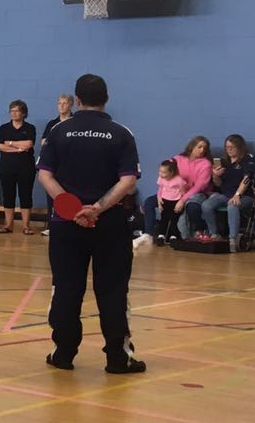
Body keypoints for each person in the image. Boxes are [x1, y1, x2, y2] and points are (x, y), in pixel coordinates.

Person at [37, 73, 143, 374]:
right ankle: (118, 358)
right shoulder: (121, 133)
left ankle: (63, 354)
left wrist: (71, 207)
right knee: (113, 290)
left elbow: (45, 175)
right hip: (110, 224)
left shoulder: (59, 131)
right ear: (106, 98)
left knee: (66, 288)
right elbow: (128, 180)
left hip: (65, 225)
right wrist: (96, 209)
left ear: (78, 99)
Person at [197, 134, 255, 249]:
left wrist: (237, 195)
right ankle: (214, 234)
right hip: (226, 194)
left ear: (239, 147)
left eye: (232, 147)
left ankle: (233, 239)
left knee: (232, 205)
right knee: (206, 205)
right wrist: (215, 175)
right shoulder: (224, 162)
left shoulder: (247, 159)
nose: (229, 150)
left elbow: (247, 179)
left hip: (245, 195)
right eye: (227, 147)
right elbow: (218, 184)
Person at [0, 100, 38, 234]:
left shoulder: (30, 128)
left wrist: (11, 143)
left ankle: (26, 226)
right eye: (11, 111)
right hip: (7, 167)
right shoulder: (3, 128)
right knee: (8, 195)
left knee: (25, 195)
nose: (13, 113)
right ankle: (8, 225)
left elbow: (29, 144)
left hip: (26, 167)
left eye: (16, 110)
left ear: (23, 113)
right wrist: (18, 149)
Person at [38, 93, 75, 238]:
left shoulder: (75, 121)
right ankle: (52, 225)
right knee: (51, 193)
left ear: (71, 105)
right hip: (54, 163)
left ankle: (70, 222)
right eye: (59, 103)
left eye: (65, 103)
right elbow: (43, 142)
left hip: (70, 164)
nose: (62, 106)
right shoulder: (52, 124)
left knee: (69, 192)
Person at [170, 135, 215, 238]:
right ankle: (152, 234)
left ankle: (200, 229)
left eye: (204, 148)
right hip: (177, 191)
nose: (202, 150)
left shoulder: (206, 164)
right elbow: (165, 174)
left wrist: (182, 200)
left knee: (191, 207)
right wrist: (161, 195)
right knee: (150, 202)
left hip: (199, 193)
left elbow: (199, 186)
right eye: (199, 147)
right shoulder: (178, 159)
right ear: (192, 146)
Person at [149, 160, 190, 244]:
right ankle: (161, 235)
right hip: (164, 200)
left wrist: (181, 202)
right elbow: (160, 189)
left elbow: (183, 192)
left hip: (175, 202)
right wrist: (159, 198)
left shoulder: (179, 180)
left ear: (171, 172)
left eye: (164, 172)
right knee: (164, 218)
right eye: (160, 171)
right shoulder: (161, 178)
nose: (160, 174)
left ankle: (173, 236)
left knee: (174, 219)